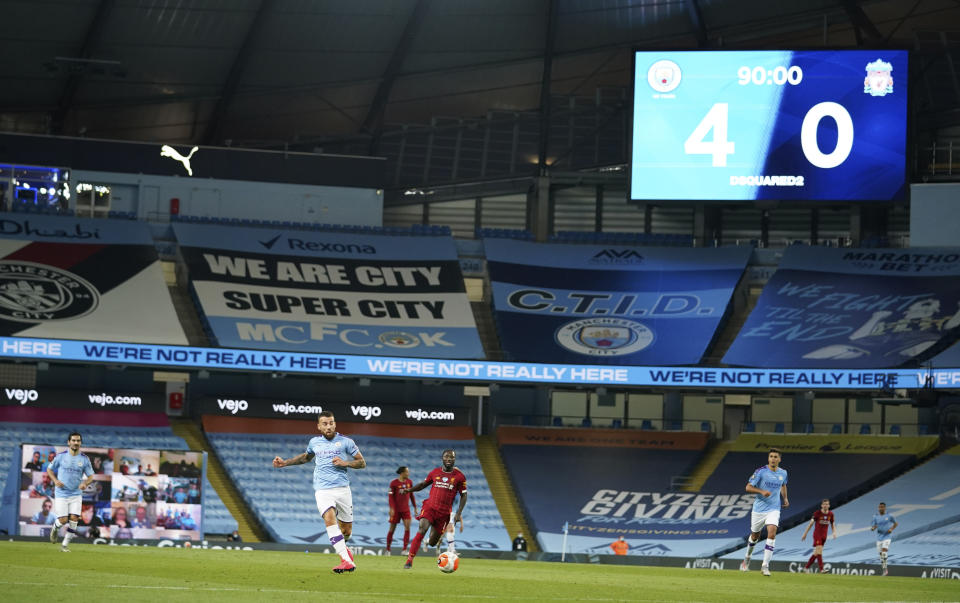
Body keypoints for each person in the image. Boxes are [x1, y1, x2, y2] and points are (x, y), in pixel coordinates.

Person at [273, 411, 365, 574]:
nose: (328, 426)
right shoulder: (314, 442)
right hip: (322, 489)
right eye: (325, 423)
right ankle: (346, 561)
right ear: (319, 426)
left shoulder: (346, 442)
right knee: (329, 519)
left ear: (335, 424)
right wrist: (285, 463)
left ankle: (345, 551)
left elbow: (362, 463)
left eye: (331, 423)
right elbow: (305, 458)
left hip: (343, 490)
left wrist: (345, 463)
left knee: (346, 532)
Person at [401, 449, 467, 569]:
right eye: (446, 457)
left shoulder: (460, 477)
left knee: (432, 542)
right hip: (430, 507)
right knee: (422, 529)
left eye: (451, 457)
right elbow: (422, 485)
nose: (448, 459)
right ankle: (409, 560)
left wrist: (458, 513)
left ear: (454, 459)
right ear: (442, 458)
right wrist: (409, 490)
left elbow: (464, 495)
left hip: (444, 514)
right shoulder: (435, 472)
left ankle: (428, 542)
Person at [740, 448, 789, 576]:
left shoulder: (783, 473)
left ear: (779, 459)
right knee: (755, 535)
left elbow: (783, 485)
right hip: (759, 509)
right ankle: (747, 558)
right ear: (768, 458)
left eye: (775, 457)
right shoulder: (761, 472)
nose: (773, 459)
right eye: (771, 456)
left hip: (774, 508)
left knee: (772, 532)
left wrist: (785, 498)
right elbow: (748, 487)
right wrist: (761, 492)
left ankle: (765, 566)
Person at [47, 431, 95, 552]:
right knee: (63, 520)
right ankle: (55, 528)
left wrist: (85, 483)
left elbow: (90, 477)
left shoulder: (84, 459)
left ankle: (64, 545)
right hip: (62, 493)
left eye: (78, 440)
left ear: (80, 443)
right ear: (69, 442)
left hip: (76, 494)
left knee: (74, 519)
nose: (76, 442)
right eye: (73, 440)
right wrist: (55, 480)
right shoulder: (61, 456)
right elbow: (49, 469)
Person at [386, 466, 417, 555]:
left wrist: (414, 507)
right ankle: (388, 550)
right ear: (402, 473)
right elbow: (390, 497)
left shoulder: (409, 482)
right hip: (396, 510)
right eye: (407, 472)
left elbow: (411, 495)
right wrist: (391, 508)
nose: (408, 473)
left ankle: (404, 550)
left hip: (406, 510)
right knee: (392, 529)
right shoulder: (393, 483)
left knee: (407, 528)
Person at [801, 498, 836, 573]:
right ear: (821, 505)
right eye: (824, 504)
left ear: (829, 505)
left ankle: (806, 568)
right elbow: (811, 523)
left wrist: (834, 532)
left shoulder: (831, 514)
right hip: (817, 535)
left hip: (824, 536)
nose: (826, 506)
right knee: (819, 551)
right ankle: (821, 569)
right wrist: (805, 534)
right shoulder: (817, 513)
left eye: (827, 504)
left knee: (816, 553)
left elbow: (832, 524)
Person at [871, 502, 898, 576]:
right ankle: (884, 569)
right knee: (881, 555)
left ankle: (885, 571)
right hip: (879, 537)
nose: (881, 508)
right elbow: (874, 525)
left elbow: (896, 523)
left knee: (884, 552)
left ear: (885, 508)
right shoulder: (875, 517)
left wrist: (891, 529)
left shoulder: (889, 516)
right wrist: (873, 528)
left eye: (882, 507)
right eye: (879, 507)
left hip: (887, 536)